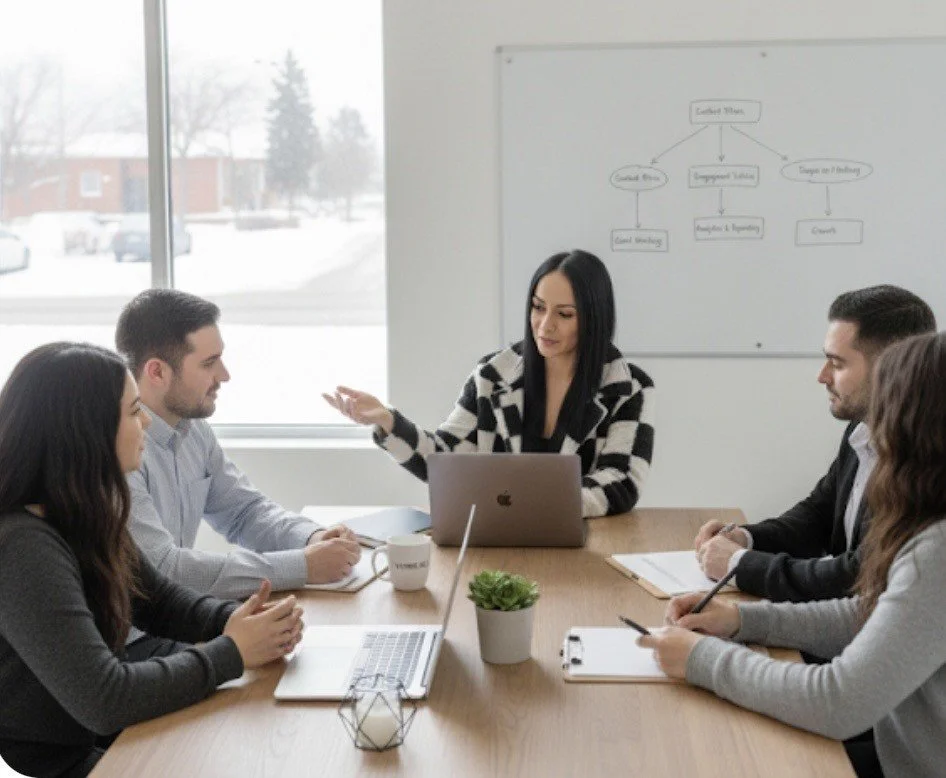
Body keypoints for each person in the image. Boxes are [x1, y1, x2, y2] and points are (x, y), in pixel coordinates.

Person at [642, 330, 946, 778]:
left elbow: (837, 701)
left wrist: (700, 660)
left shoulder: (937, 554)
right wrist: (744, 621)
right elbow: (872, 615)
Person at [0, 343, 303, 778]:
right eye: (133, 410)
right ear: (86, 430)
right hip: (62, 756)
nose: (145, 421)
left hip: (96, 734)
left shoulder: (83, 510)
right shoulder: (21, 547)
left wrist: (248, 620)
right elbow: (105, 700)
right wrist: (233, 650)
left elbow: (159, 601)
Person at [324, 249, 655, 517]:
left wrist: (535, 505)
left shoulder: (628, 387)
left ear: (594, 319)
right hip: (500, 546)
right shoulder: (493, 375)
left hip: (586, 550)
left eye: (564, 314)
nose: (545, 325)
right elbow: (444, 461)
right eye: (538, 308)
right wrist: (388, 422)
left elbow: (622, 480)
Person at [115, 289, 361, 605]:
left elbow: (243, 512)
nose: (224, 375)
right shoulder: (118, 450)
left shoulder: (194, 430)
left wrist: (311, 538)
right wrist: (302, 565)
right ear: (157, 372)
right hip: (135, 640)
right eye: (209, 363)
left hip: (178, 621)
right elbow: (164, 570)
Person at [693, 285, 935, 602]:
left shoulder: (925, 461)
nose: (822, 376)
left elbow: (859, 574)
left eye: (837, 363)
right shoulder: (861, 431)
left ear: (891, 367)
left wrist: (740, 564)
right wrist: (746, 538)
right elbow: (817, 515)